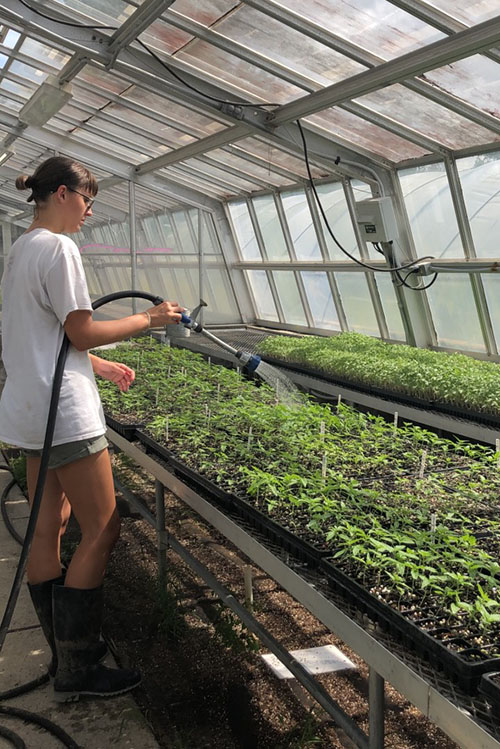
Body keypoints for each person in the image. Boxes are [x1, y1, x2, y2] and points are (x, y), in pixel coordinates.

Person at [0, 156, 183, 702]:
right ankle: (79, 669)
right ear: (61, 194)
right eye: (86, 199)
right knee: (102, 529)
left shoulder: (20, 249)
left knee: (46, 527)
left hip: (30, 412)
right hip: (67, 416)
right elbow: (80, 331)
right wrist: (149, 321)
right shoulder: (59, 248)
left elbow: (40, 335)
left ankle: (64, 658)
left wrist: (97, 366)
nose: (89, 211)